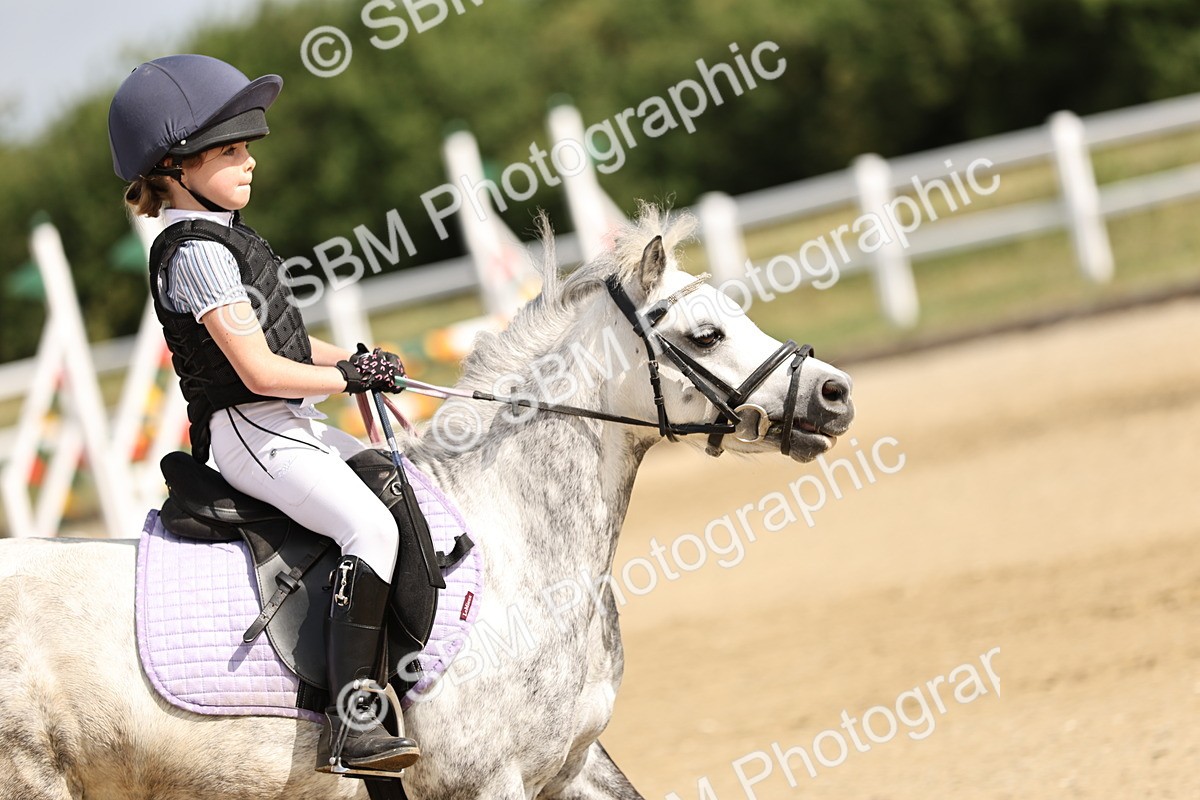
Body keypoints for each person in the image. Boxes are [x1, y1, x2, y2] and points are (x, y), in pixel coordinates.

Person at [108, 54, 418, 775]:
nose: (250, 163)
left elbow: (284, 339)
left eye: (247, 148)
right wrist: (344, 377)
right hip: (252, 436)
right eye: (231, 151)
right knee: (366, 525)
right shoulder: (195, 254)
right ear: (175, 164)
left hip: (284, 426)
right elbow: (257, 371)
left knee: (399, 481)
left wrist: (361, 360)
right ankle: (355, 719)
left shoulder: (225, 236)